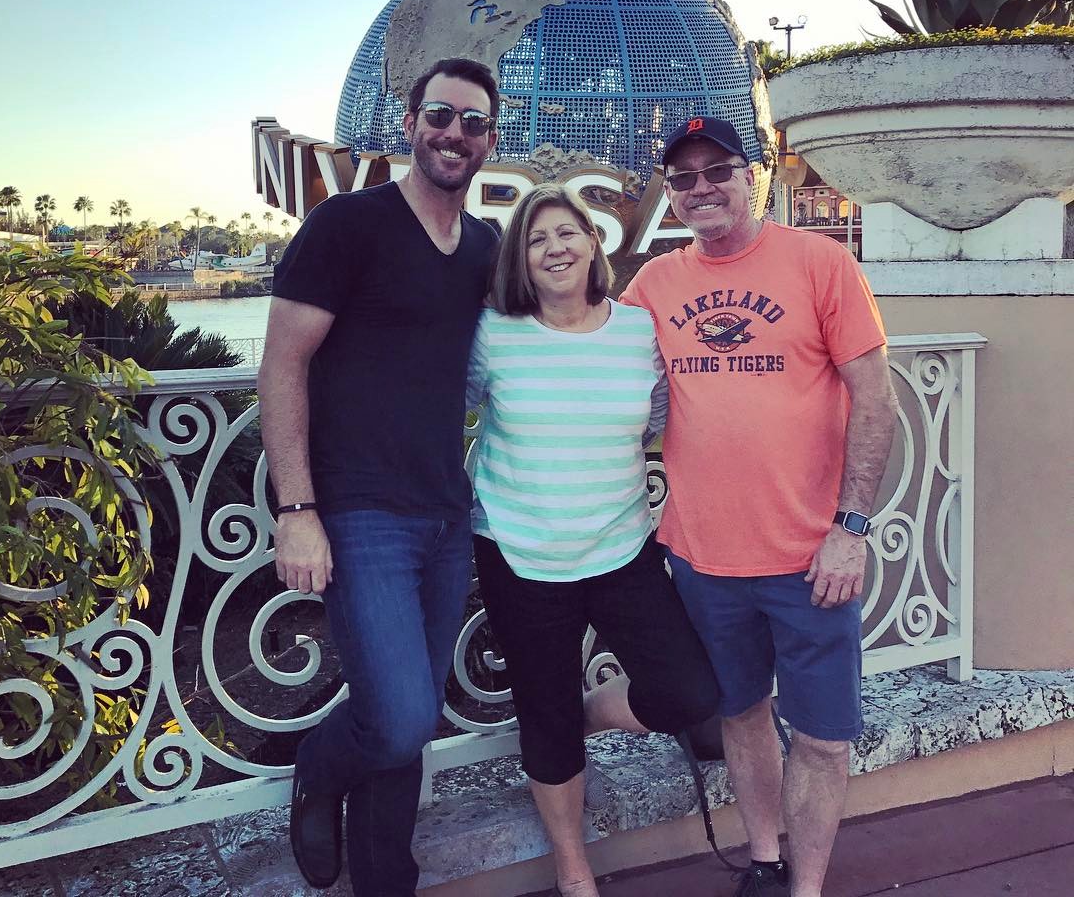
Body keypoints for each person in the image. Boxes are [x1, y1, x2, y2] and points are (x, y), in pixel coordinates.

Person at [621, 117, 898, 897]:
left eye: (719, 170)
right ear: (671, 194)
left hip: (814, 557)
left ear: (756, 178)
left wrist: (851, 529)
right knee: (741, 717)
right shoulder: (654, 286)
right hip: (703, 558)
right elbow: (589, 356)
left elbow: (876, 401)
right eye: (684, 178)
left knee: (823, 738)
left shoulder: (821, 262)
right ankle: (765, 862)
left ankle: (805, 888)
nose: (702, 187)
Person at [258, 57, 500, 896]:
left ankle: (385, 881)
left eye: (472, 122)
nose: (454, 133)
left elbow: (548, 322)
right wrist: (297, 509)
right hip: (357, 510)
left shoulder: (483, 246)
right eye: (441, 114)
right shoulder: (347, 225)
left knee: (412, 724)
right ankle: (317, 768)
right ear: (409, 122)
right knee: (395, 719)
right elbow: (281, 366)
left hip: (444, 510)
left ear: (488, 141)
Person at [466, 184, 722, 897]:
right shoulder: (494, 334)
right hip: (519, 553)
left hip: (620, 549)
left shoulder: (640, 332)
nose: (555, 248)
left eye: (567, 232)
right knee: (543, 723)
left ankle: (588, 711)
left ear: (593, 244)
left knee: (688, 689)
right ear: (521, 258)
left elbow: (672, 422)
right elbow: (439, 403)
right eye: (537, 238)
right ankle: (574, 870)